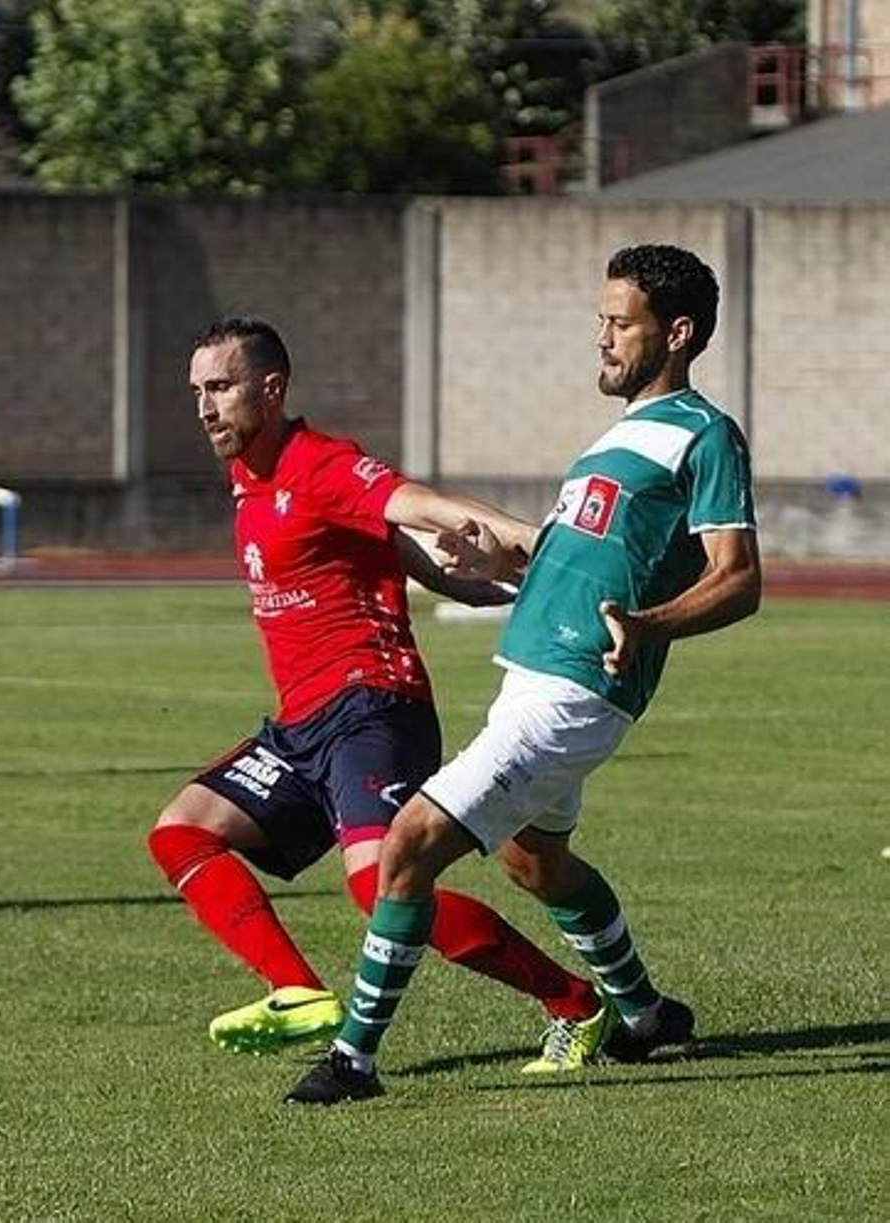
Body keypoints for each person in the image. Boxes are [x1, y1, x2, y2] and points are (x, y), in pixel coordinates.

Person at [287, 243, 762, 1104]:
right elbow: (577, 563)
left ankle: (353, 1059)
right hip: (534, 676)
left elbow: (739, 578)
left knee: (408, 845)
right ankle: (644, 1013)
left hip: (576, 690)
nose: (602, 337)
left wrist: (648, 625)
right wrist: (498, 566)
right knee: (534, 857)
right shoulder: (613, 440)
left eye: (621, 323)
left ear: (678, 333)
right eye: (601, 320)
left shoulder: (704, 434)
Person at [150, 317, 613, 1070]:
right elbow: (407, 558)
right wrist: (466, 581)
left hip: (373, 709)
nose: (205, 406)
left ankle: (575, 1002)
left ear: (272, 389)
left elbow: (420, 506)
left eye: (222, 387)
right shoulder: (249, 478)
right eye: (197, 390)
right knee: (182, 831)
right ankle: (297, 990)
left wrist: (546, 549)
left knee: (381, 887)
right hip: (302, 726)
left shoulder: (320, 464)